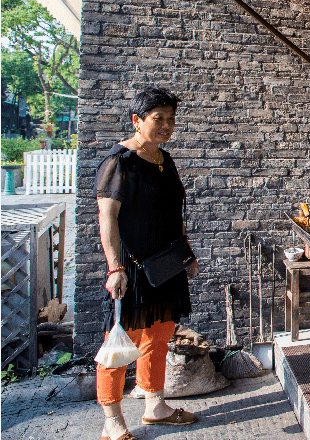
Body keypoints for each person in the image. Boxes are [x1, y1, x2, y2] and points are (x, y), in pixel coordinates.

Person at [94, 87, 199, 440]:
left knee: (160, 333)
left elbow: (174, 211)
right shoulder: (118, 163)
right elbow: (107, 217)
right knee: (120, 340)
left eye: (171, 119)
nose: (167, 126)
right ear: (137, 120)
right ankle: (111, 419)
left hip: (166, 263)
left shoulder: (164, 159)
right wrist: (114, 267)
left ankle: (155, 405)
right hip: (133, 266)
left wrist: (186, 254)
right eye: (158, 119)